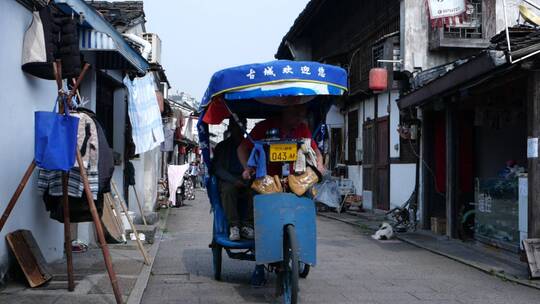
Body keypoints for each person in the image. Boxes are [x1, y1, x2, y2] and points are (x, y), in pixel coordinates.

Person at [237, 103, 325, 180]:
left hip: (294, 179)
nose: (299, 119)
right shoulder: (263, 126)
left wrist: (320, 165)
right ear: (285, 111)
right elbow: (242, 149)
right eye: (296, 114)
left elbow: (316, 152)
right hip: (265, 179)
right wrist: (247, 168)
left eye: (302, 116)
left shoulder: (302, 128)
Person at [212, 119, 254, 241]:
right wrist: (234, 181)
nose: (239, 129)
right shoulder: (222, 147)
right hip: (229, 180)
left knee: (256, 190)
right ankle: (234, 226)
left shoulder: (250, 146)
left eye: (242, 126)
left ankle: (248, 225)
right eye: (236, 126)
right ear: (230, 128)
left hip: (246, 178)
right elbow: (218, 169)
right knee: (228, 190)